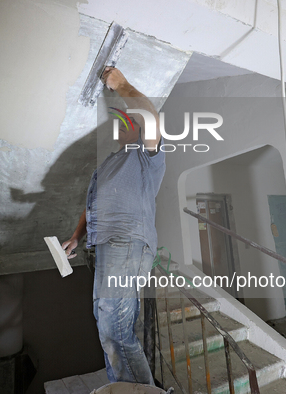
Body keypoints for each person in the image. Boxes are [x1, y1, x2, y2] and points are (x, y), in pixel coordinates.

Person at [62, 67, 166, 385]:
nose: (120, 127)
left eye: (126, 122)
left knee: (114, 330)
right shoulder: (110, 163)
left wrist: (120, 84)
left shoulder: (145, 157)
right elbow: (94, 203)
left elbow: (151, 117)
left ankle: (137, 391)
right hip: (107, 242)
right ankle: (121, 388)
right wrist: (77, 237)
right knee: (107, 322)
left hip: (127, 240)